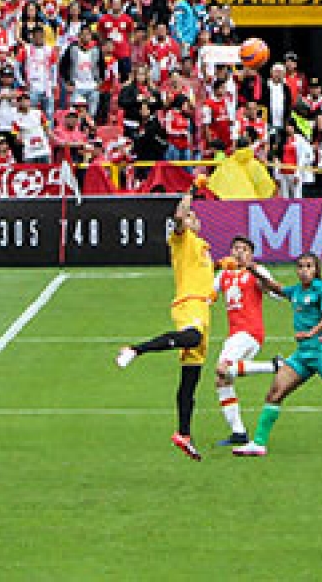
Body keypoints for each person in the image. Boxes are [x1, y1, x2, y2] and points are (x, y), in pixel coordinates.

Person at [114, 194, 217, 459]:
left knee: (191, 378)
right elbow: (179, 218)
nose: (194, 219)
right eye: (191, 216)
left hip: (203, 309)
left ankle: (184, 434)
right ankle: (135, 350)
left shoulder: (202, 248)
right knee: (192, 337)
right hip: (188, 304)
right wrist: (187, 199)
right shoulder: (183, 240)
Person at [233, 253, 322, 455]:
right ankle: (258, 444)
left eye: (309, 266)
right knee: (275, 393)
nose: (304, 270)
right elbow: (276, 287)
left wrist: (310, 333)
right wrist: (254, 269)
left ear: (316, 270)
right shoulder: (296, 291)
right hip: (302, 355)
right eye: (300, 266)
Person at [213, 236, 288, 448]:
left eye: (244, 249)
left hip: (249, 332)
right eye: (235, 248)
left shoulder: (256, 271)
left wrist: (259, 277)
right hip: (234, 334)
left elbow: (278, 294)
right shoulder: (223, 275)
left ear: (251, 254)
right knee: (223, 380)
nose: (239, 252)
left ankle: (275, 365)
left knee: (222, 368)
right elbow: (208, 295)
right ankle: (238, 432)